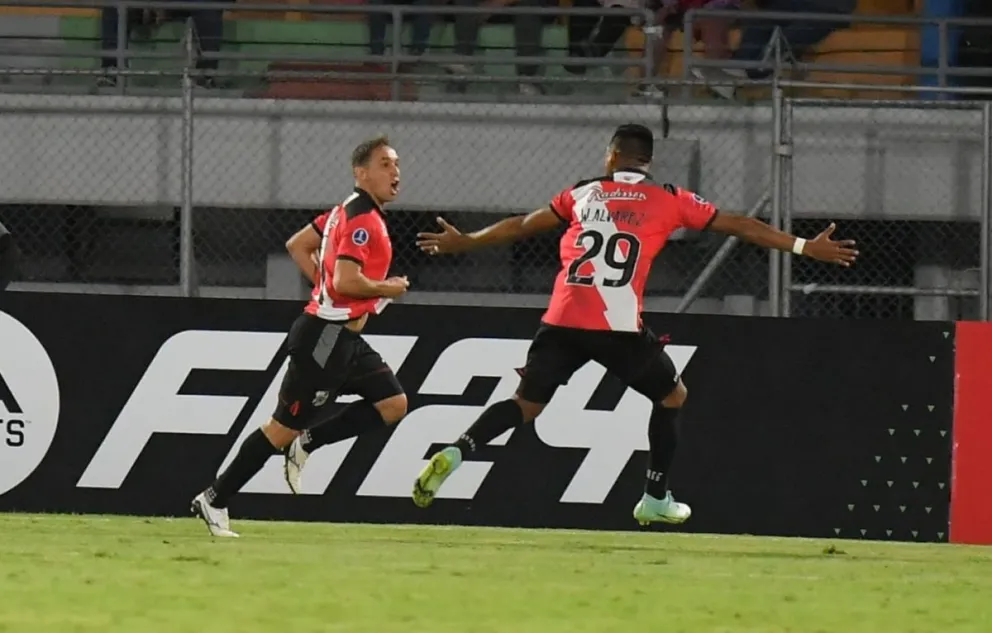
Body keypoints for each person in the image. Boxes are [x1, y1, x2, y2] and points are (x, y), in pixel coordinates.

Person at [410, 123, 858, 526]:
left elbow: (521, 224)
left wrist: (466, 240)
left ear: (610, 156)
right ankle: (655, 497)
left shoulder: (581, 194)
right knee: (672, 395)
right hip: (616, 326)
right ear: (648, 162)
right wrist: (803, 246)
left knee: (525, 406)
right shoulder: (670, 199)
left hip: (562, 318)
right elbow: (740, 225)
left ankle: (458, 448)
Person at [191, 135, 411, 537]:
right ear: (360, 173)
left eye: (396, 164)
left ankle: (307, 442)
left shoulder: (344, 212)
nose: (395, 172)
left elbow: (298, 245)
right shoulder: (362, 220)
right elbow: (346, 279)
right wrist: (387, 288)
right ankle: (214, 498)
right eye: (385, 164)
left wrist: (324, 287)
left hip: (345, 340)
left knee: (394, 404)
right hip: (323, 341)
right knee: (280, 428)